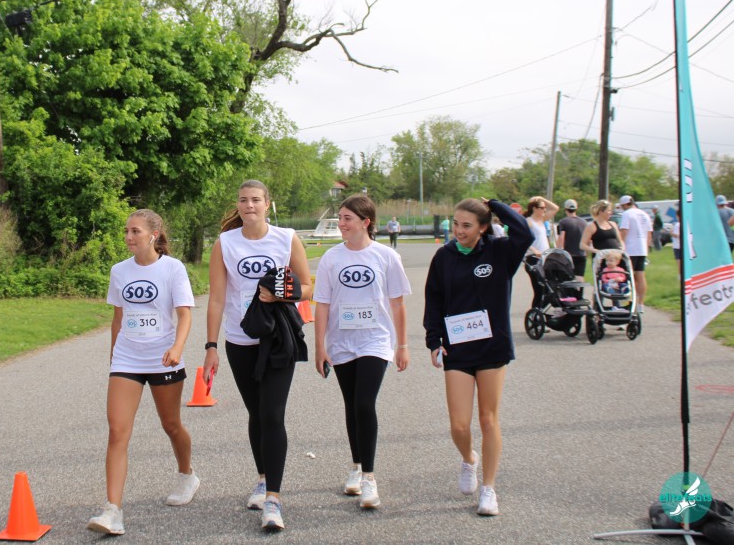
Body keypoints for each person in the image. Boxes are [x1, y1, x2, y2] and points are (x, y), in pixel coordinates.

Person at [202, 179, 312, 532]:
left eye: (255, 200)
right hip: (240, 340)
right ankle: (263, 479)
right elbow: (216, 298)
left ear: (267, 204)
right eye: (243, 200)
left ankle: (274, 501)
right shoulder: (225, 243)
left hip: (278, 337)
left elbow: (307, 286)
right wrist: (211, 346)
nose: (249, 205)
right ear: (238, 205)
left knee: (272, 414)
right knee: (256, 413)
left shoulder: (286, 238)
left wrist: (282, 293)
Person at [87, 210, 198, 536]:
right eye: (126, 231)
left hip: (163, 358)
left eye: (135, 231)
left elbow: (185, 315)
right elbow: (118, 318)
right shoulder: (119, 271)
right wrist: (114, 358)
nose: (128, 237)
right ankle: (112, 511)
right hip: (127, 359)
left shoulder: (172, 268)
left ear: (154, 234)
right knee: (117, 432)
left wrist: (177, 348)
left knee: (171, 424)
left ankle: (187, 475)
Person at [423, 198, 531, 517]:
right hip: (457, 348)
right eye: (455, 224)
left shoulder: (501, 252)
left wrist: (496, 205)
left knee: (488, 419)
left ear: (484, 227)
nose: (459, 230)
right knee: (459, 424)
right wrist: (433, 340)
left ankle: (489, 488)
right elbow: (434, 299)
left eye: (467, 225)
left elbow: (525, 232)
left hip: (492, 348)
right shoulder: (444, 256)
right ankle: (469, 458)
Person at [313, 195, 411, 510]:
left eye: (347, 218)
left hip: (375, 341)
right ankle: (356, 466)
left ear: (366, 222)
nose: (341, 224)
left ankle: (369, 477)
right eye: (340, 218)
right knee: (352, 404)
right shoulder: (331, 258)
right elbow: (322, 304)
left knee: (365, 403)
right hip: (341, 342)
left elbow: (397, 303)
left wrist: (403, 345)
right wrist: (320, 346)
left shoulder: (386, 256)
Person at [617, 195, 652, 314]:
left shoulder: (627, 214)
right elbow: (649, 233)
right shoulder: (644, 214)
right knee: (640, 276)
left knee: (628, 276)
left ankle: (629, 301)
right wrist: (646, 248)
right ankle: (641, 304)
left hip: (630, 249)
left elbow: (624, 231)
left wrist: (620, 246)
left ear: (625, 204)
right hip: (642, 249)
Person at [522, 196, 559, 310]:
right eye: (542, 208)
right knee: (539, 290)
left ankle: (539, 312)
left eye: (545, 208)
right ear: (534, 209)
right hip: (533, 259)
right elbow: (522, 239)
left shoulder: (542, 220)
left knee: (550, 289)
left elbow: (555, 208)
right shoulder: (529, 221)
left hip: (544, 258)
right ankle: (535, 314)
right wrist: (533, 250)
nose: (544, 210)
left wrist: (541, 198)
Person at [580, 200, 623, 266]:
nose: (611, 213)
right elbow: (582, 245)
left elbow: (620, 241)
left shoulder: (613, 224)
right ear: (601, 211)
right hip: (602, 260)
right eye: (609, 210)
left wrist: (622, 248)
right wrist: (597, 251)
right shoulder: (592, 226)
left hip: (616, 258)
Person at [556, 200, 588, 278]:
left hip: (568, 255)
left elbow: (561, 237)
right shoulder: (584, 222)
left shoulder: (563, 222)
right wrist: (586, 252)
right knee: (580, 277)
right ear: (576, 209)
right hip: (581, 254)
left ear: (565, 209)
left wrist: (558, 251)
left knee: (568, 277)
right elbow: (588, 239)